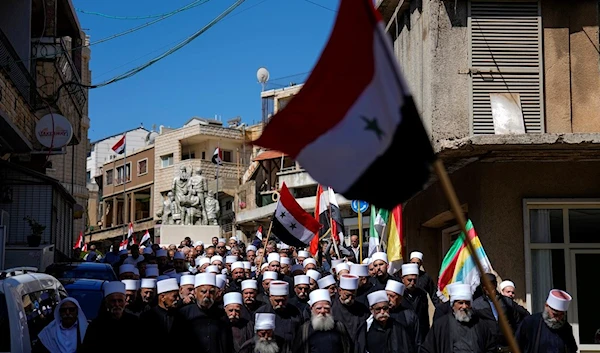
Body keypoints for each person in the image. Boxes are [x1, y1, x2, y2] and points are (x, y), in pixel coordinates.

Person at [420, 284, 496, 353]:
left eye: (467, 303)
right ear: (453, 305)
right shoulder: (441, 325)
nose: (464, 306)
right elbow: (427, 349)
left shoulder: (480, 324)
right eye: (460, 303)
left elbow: (491, 347)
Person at [80, 281, 140, 352]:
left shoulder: (134, 322)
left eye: (120, 301)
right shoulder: (97, 325)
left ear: (124, 302)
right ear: (107, 303)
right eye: (113, 301)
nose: (117, 304)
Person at [293, 289, 354, 353]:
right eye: (319, 308)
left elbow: (348, 348)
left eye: (326, 308)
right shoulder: (304, 329)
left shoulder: (339, 326)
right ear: (312, 309)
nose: (322, 311)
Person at [139, 278, 180, 350]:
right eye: (174, 296)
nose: (177, 299)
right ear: (163, 297)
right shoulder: (147, 317)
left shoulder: (180, 316)